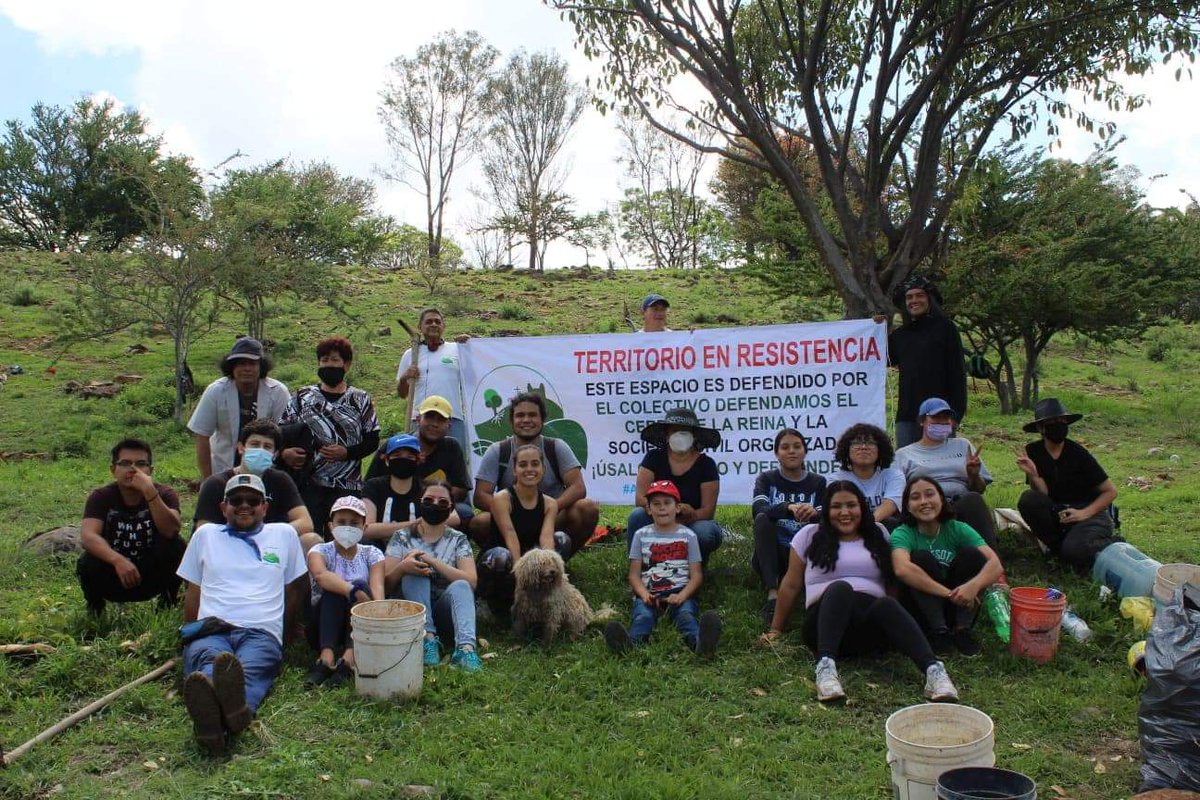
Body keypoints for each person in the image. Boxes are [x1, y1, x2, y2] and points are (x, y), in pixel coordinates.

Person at [758, 481, 959, 703]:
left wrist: (895, 621)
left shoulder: (878, 533)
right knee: (841, 588)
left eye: (851, 505)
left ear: (862, 508)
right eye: (836, 506)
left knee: (888, 604)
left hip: (869, 629)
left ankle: (934, 671)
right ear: (826, 509)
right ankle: (825, 668)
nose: (844, 513)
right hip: (824, 623)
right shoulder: (809, 534)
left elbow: (890, 583)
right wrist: (776, 629)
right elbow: (791, 584)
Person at [178, 473, 308, 754]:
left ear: (265, 507)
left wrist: (283, 634)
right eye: (236, 500)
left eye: (253, 500)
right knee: (209, 662)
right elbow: (193, 591)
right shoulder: (205, 535)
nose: (244, 505)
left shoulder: (284, 535)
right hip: (212, 628)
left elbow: (295, 590)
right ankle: (231, 715)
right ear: (223, 507)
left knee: (248, 668)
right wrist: (188, 634)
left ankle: (213, 724)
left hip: (261, 631)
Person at [470, 391, 599, 555]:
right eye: (520, 415)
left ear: (542, 420)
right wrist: (517, 514)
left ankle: (558, 564)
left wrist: (548, 511)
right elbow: (480, 496)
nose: (526, 420)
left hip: (553, 518)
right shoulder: (497, 451)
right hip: (511, 520)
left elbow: (578, 487)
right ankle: (509, 564)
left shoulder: (556, 447)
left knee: (587, 508)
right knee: (480, 522)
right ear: (511, 421)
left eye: (532, 415)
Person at [604, 480, 722, 656]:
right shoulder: (640, 535)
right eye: (656, 504)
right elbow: (634, 575)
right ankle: (629, 646)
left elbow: (696, 575)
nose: (662, 508)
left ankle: (700, 644)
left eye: (667, 503)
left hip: (680, 593)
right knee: (642, 618)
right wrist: (644, 595)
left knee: (685, 617)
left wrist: (682, 595)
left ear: (678, 507)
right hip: (649, 595)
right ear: (649, 509)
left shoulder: (689, 536)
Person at [890, 477, 1005, 657]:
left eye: (930, 494)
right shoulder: (903, 533)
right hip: (922, 608)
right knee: (920, 558)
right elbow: (902, 569)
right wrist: (950, 594)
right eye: (915, 497)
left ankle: (962, 630)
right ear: (907, 506)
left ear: (941, 500)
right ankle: (938, 631)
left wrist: (972, 586)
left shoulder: (957, 528)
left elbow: (995, 564)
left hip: (961, 604)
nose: (924, 501)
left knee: (972, 554)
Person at [278, 337, 380, 533]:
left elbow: (372, 439)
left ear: (346, 365)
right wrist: (286, 453)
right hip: (309, 481)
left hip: (347, 484)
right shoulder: (302, 396)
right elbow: (281, 431)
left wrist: (347, 453)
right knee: (310, 535)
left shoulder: (360, 398)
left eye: (334, 360)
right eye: (324, 360)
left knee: (343, 536)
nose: (329, 365)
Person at [384, 480, 483, 672]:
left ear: (451, 508)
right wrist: (403, 567)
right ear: (420, 502)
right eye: (428, 500)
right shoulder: (401, 537)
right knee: (414, 573)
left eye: (443, 502)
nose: (435, 505)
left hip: (445, 609)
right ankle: (427, 640)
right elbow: (385, 585)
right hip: (410, 614)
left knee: (461, 585)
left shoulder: (458, 539)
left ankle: (466, 649)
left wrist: (431, 560)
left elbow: (471, 581)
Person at [77, 439, 184, 615]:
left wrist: (149, 492)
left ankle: (167, 604)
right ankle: (95, 608)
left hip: (151, 573)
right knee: (88, 561)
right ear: (113, 470)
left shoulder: (165, 494)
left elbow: (171, 530)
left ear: (151, 470)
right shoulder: (101, 497)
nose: (133, 469)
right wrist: (118, 560)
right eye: (125, 463)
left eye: (141, 464)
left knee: (177, 546)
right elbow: (89, 536)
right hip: (114, 574)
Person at [1016, 398, 1121, 570]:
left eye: (1062, 421)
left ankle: (1108, 543)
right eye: (1052, 422)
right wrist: (1033, 475)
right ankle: (1060, 550)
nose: (1058, 425)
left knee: (1073, 551)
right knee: (1029, 500)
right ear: (1041, 428)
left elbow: (1110, 491)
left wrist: (1084, 513)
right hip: (1061, 513)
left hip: (1090, 515)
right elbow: (1043, 493)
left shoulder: (1078, 453)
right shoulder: (1033, 451)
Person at [192, 419, 317, 551]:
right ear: (241, 447)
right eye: (255, 444)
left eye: (267, 447)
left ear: (275, 454)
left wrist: (264, 535)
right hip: (226, 547)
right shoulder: (216, 484)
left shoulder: (281, 480)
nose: (260, 450)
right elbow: (203, 529)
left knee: (311, 540)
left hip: (271, 547)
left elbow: (305, 523)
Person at [477, 443, 571, 614]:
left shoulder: (550, 503)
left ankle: (545, 595)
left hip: (531, 558)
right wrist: (522, 572)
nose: (529, 469)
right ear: (514, 470)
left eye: (535, 464)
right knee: (501, 556)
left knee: (561, 540)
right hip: (504, 558)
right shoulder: (502, 499)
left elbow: (546, 538)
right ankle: (487, 602)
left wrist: (546, 566)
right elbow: (510, 535)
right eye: (523, 465)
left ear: (543, 469)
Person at [893, 397, 997, 549]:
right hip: (926, 505)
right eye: (936, 418)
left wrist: (973, 475)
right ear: (922, 421)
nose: (942, 422)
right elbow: (898, 494)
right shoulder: (904, 454)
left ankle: (992, 561)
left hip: (960, 502)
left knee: (973, 500)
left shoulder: (963, 445)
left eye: (946, 417)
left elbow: (980, 489)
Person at [304, 496, 385, 688]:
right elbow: (321, 575)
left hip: (360, 622)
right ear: (331, 526)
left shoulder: (372, 554)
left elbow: (377, 588)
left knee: (359, 585)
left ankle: (349, 658)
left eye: (354, 523)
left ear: (365, 528)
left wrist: (376, 608)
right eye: (341, 522)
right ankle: (326, 657)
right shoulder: (319, 550)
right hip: (321, 623)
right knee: (336, 588)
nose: (347, 527)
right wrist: (352, 591)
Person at [628, 408, 722, 565]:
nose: (680, 435)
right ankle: (640, 568)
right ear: (667, 434)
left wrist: (690, 515)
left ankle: (695, 570)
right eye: (675, 430)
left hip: (692, 522)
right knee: (637, 516)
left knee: (705, 532)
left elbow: (708, 511)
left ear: (694, 435)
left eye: (685, 431)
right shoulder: (653, 458)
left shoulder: (707, 464)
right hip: (657, 517)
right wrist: (668, 513)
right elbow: (640, 498)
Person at [751, 429, 826, 624]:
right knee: (762, 520)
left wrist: (814, 514)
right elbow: (759, 508)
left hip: (804, 552)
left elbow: (825, 515)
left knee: (823, 525)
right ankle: (773, 593)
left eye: (797, 446)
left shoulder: (818, 482)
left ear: (805, 451)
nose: (791, 451)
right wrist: (787, 508)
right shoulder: (766, 479)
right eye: (785, 447)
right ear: (777, 453)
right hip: (773, 552)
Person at [188, 337, 291, 480]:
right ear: (232, 367)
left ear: (261, 367)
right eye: (241, 364)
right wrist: (207, 480)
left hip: (266, 469)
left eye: (252, 363)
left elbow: (286, 433)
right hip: (223, 468)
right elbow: (202, 435)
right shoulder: (216, 391)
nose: (247, 369)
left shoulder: (278, 392)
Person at [886, 276, 967, 448]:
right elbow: (883, 358)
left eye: (919, 295)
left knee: (941, 469)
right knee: (907, 470)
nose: (914, 301)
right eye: (909, 297)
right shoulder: (900, 335)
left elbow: (957, 372)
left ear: (929, 299)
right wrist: (878, 328)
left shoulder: (946, 328)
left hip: (940, 414)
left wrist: (956, 414)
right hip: (907, 415)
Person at [364, 396, 473, 522]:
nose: (434, 424)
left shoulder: (452, 447)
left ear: (449, 425)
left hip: (437, 504)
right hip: (392, 502)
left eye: (441, 420)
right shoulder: (394, 445)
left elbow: (461, 487)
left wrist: (434, 498)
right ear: (417, 419)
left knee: (464, 512)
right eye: (429, 417)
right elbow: (369, 484)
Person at [363, 433, 462, 544]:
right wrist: (414, 525)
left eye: (410, 457)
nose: (403, 461)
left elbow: (454, 518)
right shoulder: (373, 486)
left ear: (418, 460)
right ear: (386, 460)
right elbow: (367, 529)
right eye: (397, 456)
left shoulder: (425, 488)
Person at [396, 308, 469, 452]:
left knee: (454, 466)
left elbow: (473, 378)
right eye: (428, 322)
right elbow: (402, 394)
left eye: (437, 321)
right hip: (420, 419)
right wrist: (405, 377)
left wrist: (470, 346)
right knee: (418, 463)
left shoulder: (457, 349)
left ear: (443, 326)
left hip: (452, 419)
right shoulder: (411, 354)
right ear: (420, 327)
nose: (433, 324)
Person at [831, 423, 905, 528]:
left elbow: (891, 504)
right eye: (856, 443)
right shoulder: (836, 479)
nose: (863, 447)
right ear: (847, 450)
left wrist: (867, 526)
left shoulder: (894, 475)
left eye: (870, 443)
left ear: (880, 450)